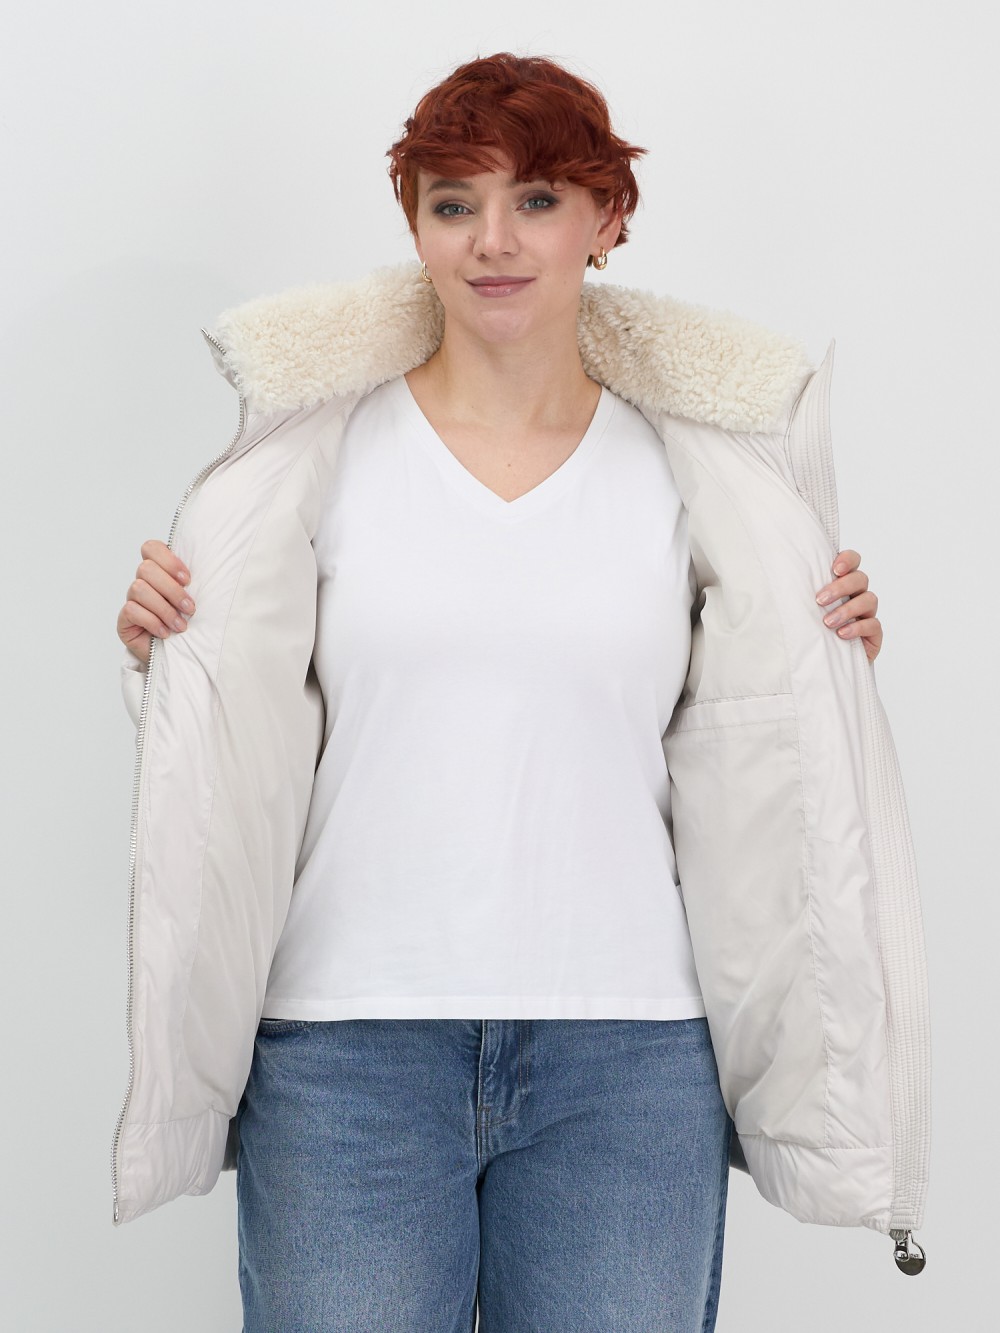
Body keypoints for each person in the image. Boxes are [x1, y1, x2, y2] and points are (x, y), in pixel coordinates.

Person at [112, 52, 929, 1331]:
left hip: (630, 1059)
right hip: (345, 1054)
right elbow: (243, 748)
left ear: (608, 219)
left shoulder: (700, 475)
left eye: (537, 200)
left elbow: (754, 746)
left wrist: (832, 663)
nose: (493, 241)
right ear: (414, 225)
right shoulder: (307, 462)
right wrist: (166, 656)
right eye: (454, 203)